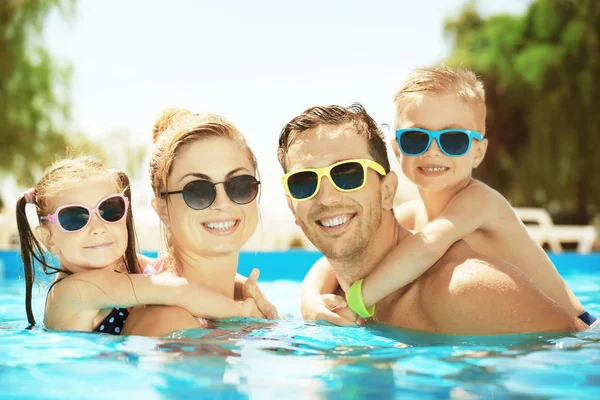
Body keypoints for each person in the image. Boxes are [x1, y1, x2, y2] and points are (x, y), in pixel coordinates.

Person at [300, 66, 597, 328]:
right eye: (416, 138)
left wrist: (357, 302)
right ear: (397, 148)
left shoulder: (480, 202)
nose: (433, 151)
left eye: (452, 140)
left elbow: (425, 249)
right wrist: (312, 301)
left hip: (580, 329)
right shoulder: (412, 214)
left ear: (478, 151)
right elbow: (327, 263)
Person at [17, 156, 265, 334]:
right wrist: (242, 312)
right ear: (48, 239)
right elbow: (176, 289)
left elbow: (171, 265)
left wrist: (243, 286)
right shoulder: (75, 290)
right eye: (74, 218)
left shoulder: (120, 266)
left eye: (109, 209)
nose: (98, 227)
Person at [123, 108, 279, 336]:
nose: (223, 203)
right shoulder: (170, 321)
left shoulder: (246, 301)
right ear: (163, 210)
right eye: (197, 191)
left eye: (239, 185)